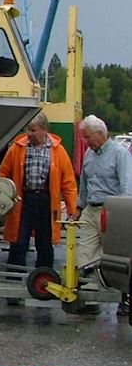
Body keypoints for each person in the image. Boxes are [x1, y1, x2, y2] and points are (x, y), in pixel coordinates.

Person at [0, 112, 77, 271]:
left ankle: (44, 280)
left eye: (33, 130)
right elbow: (2, 174)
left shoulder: (58, 151)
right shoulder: (17, 148)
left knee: (45, 244)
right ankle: (14, 281)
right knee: (18, 242)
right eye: (28, 129)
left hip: (46, 202)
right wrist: (4, 198)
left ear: (44, 130)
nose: (29, 133)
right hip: (23, 200)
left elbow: (68, 183)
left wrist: (72, 209)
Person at [70, 114, 132, 316]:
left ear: (101, 134)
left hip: (112, 211)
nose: (86, 142)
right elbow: (85, 184)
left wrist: (123, 213)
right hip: (91, 209)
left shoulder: (120, 154)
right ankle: (90, 299)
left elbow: (126, 185)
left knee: (117, 258)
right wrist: (79, 208)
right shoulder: (89, 154)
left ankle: (125, 301)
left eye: (88, 138)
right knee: (86, 255)